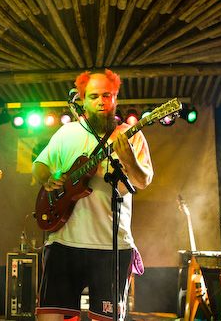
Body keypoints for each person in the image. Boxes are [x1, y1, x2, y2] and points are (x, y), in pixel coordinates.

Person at [32, 69, 153, 321]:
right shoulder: (67, 133)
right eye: (94, 96)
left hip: (111, 245)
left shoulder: (132, 135)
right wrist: (48, 179)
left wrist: (129, 158)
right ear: (82, 100)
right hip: (65, 241)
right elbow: (39, 165)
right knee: (49, 316)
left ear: (115, 98)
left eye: (107, 95)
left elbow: (143, 181)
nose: (101, 101)